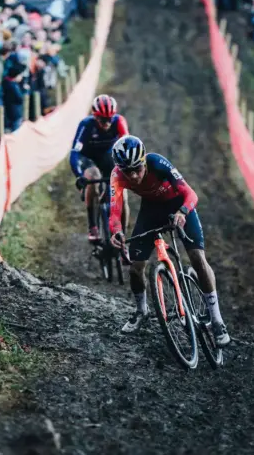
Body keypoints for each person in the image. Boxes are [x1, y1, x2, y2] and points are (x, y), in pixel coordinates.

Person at [107, 135, 230, 347]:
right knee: (136, 268)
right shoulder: (117, 176)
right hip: (151, 210)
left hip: (179, 206)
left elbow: (190, 193)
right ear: (120, 169)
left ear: (144, 161)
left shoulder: (157, 162)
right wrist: (117, 231)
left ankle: (217, 320)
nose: (134, 176)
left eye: (138, 168)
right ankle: (141, 310)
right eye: (129, 172)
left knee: (197, 259)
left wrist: (183, 212)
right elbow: (114, 212)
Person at [70, 95, 129, 241]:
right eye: (103, 119)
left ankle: (123, 239)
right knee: (93, 176)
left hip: (106, 157)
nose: (107, 123)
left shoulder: (119, 121)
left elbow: (127, 144)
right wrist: (79, 175)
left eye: (110, 119)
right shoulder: (86, 125)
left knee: (122, 197)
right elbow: (74, 153)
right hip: (87, 158)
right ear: (95, 117)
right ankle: (93, 226)